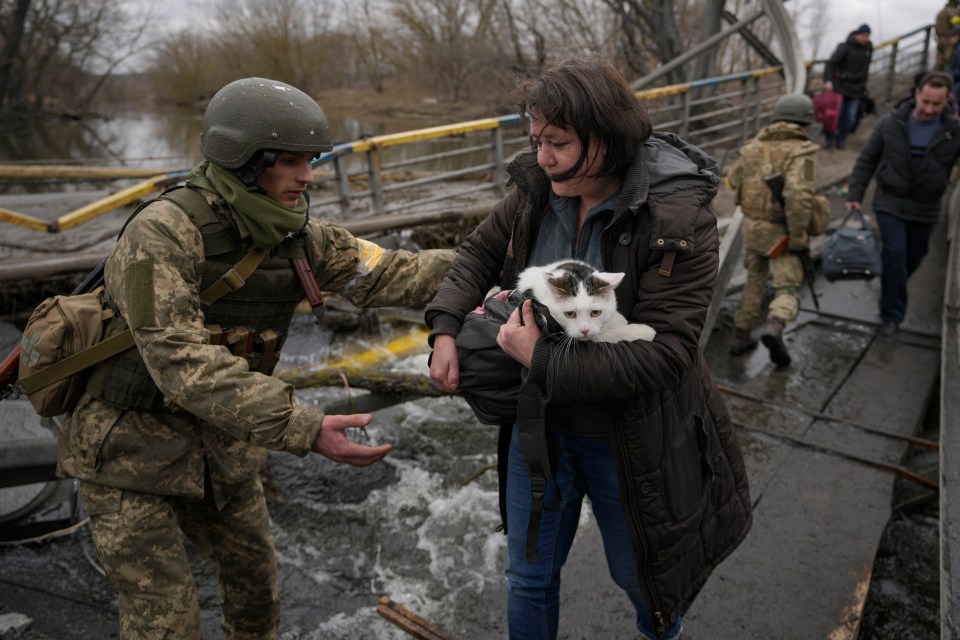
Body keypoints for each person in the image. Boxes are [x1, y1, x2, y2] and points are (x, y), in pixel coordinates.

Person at [56, 77, 455, 639]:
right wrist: (303, 425)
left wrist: (504, 258)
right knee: (164, 623)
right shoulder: (161, 234)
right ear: (246, 161)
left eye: (310, 160)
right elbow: (179, 361)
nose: (309, 176)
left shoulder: (301, 237)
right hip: (126, 455)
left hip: (222, 450)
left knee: (257, 597)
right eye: (290, 162)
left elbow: (395, 274)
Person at [425, 53, 752, 640]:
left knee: (644, 581)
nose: (541, 157)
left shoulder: (678, 220)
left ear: (607, 138)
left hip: (628, 438)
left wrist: (542, 358)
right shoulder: (535, 193)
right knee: (528, 576)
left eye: (558, 142)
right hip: (541, 426)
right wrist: (445, 328)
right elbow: (476, 255)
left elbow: (668, 353)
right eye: (536, 139)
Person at [846, 71, 960, 336]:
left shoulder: (953, 131)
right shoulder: (891, 124)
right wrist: (855, 194)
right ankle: (892, 316)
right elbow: (867, 160)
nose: (930, 109)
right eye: (926, 102)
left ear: (947, 101)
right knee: (895, 253)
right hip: (890, 201)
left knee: (914, 258)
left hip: (926, 206)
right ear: (917, 93)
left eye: (937, 104)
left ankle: (891, 288)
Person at [725, 93, 819, 367]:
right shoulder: (803, 152)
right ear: (805, 121)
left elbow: (731, 184)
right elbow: (800, 196)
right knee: (787, 285)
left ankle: (741, 335)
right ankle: (774, 327)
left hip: (753, 229)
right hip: (783, 231)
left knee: (754, 280)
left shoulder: (751, 148)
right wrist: (799, 237)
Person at [823, 23, 873, 150]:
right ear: (857, 35)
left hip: (856, 90)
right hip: (840, 87)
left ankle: (841, 139)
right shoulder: (844, 47)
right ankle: (829, 138)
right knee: (835, 115)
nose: (865, 38)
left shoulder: (867, 50)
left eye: (867, 36)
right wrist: (829, 80)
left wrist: (863, 86)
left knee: (850, 117)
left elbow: (865, 70)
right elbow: (831, 64)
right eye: (863, 35)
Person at [936, 0, 960, 71]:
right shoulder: (952, 12)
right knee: (948, 64)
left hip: (941, 40)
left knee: (940, 65)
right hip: (949, 41)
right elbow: (958, 25)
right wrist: (957, 36)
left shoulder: (942, 11)